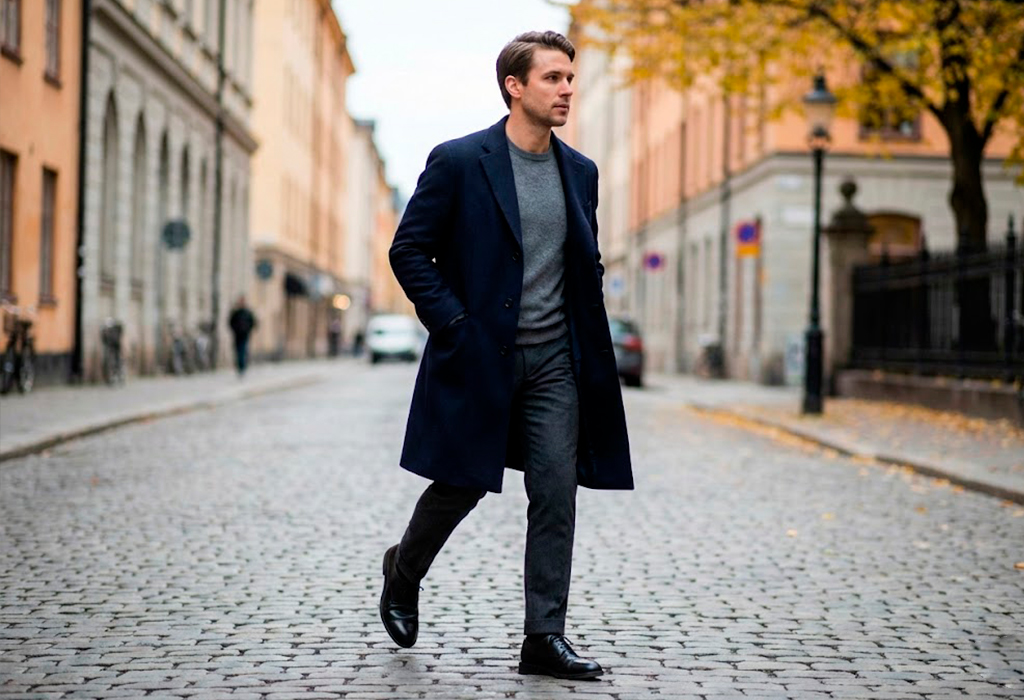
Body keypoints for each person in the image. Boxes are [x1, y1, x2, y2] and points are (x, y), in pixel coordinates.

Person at [381, 31, 633, 680]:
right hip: (480, 356)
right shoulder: (461, 161)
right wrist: (455, 324)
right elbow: (409, 250)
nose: (567, 89)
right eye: (552, 78)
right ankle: (403, 570)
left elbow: (585, 261)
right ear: (514, 87)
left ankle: (542, 637)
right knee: (461, 485)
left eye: (570, 78)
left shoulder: (580, 172)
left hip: (555, 362)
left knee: (555, 491)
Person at [228, 296, 256, 376]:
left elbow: (253, 322)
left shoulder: (247, 312)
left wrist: (248, 329)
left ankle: (242, 366)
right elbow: (231, 322)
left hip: (245, 335)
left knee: (243, 350)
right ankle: (240, 366)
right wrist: (234, 329)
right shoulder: (236, 312)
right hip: (237, 335)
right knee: (237, 351)